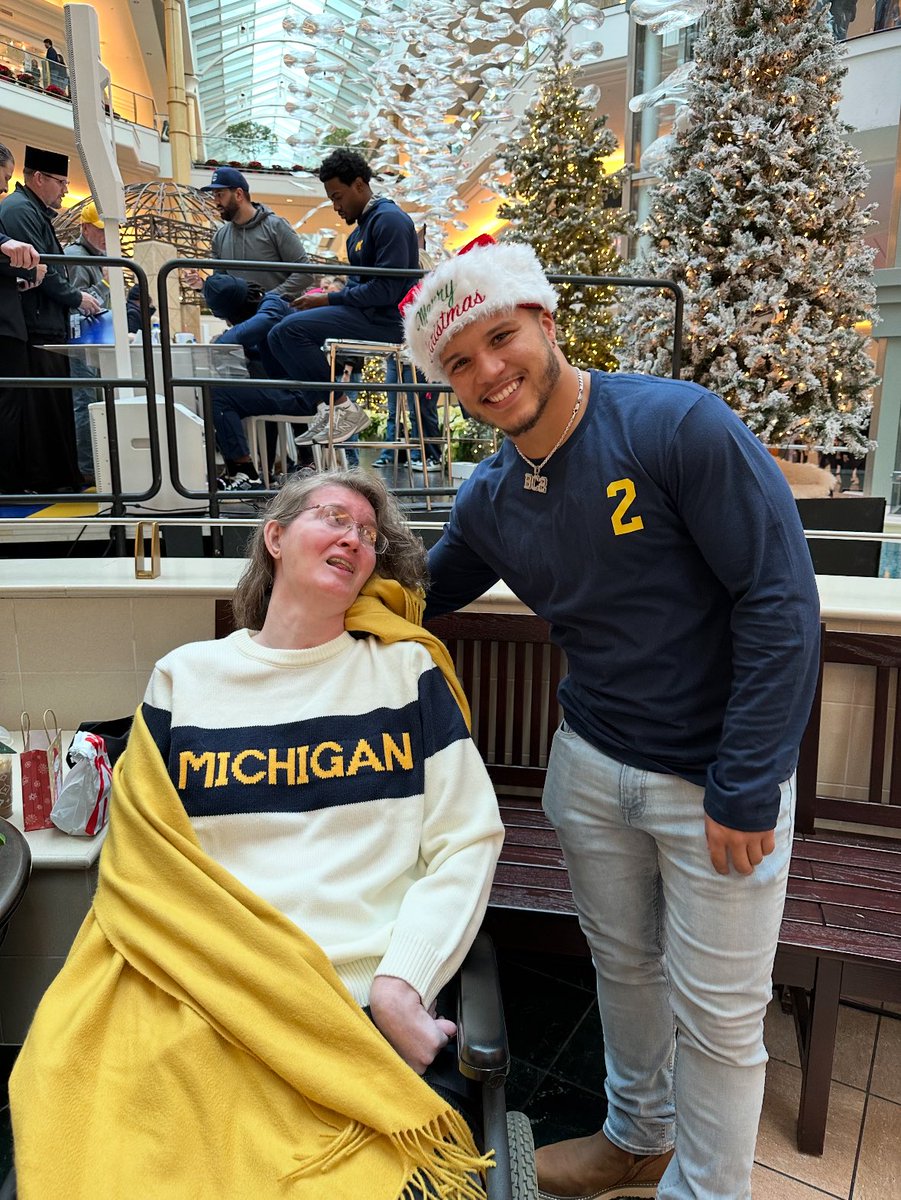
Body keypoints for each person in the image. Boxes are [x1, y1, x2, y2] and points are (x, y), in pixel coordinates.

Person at [403, 236, 821, 1200]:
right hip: (589, 766)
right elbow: (420, 593)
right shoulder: (494, 493)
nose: (487, 372)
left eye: (499, 338)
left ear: (545, 321)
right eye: (459, 364)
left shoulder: (676, 426)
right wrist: (306, 597)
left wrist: (747, 778)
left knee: (718, 1014)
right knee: (624, 972)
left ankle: (709, 1190)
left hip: (717, 780)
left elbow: (778, 600)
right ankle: (635, 1138)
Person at [10, 468, 504, 1199]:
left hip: (348, 996)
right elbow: (142, 858)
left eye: (369, 535)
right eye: (333, 518)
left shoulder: (404, 674)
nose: (354, 538)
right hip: (204, 987)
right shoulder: (186, 676)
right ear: (273, 538)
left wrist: (405, 981)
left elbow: (467, 839)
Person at [267, 148, 420, 447]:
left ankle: (343, 408)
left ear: (360, 185)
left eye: (337, 196)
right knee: (278, 333)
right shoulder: (358, 233)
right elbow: (358, 287)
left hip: (390, 319)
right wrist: (330, 297)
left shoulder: (390, 221)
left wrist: (328, 300)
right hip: (368, 314)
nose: (335, 206)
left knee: (290, 330)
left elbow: (387, 290)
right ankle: (329, 408)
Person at [0, 146, 102, 492]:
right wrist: (77, 297)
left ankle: (58, 477)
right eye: (60, 182)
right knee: (38, 408)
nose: (63, 190)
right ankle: (42, 480)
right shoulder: (18, 210)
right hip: (34, 325)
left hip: (44, 323)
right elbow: (36, 268)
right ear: (39, 178)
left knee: (51, 406)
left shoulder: (33, 211)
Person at [202, 274, 311, 490]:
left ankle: (245, 471)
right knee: (219, 395)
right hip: (294, 389)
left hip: (301, 392)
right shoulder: (268, 308)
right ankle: (240, 469)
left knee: (217, 395)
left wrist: (222, 341)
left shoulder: (273, 305)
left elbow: (264, 322)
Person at [181, 166, 313, 299]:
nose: (215, 201)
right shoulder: (220, 237)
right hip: (241, 318)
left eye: (220, 194)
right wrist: (201, 286)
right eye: (214, 195)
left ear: (238, 194)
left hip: (279, 316)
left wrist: (266, 300)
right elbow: (222, 286)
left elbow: (305, 274)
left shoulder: (276, 226)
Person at [0, 143, 46, 495]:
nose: (4, 188)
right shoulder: (16, 211)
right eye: (3, 178)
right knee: (9, 405)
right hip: (6, 327)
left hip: (10, 320)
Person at [63, 200, 110, 484]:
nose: (105, 236)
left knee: (92, 400)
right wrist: (105, 285)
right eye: (100, 229)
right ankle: (88, 469)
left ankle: (94, 465)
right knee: (85, 401)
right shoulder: (77, 256)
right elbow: (80, 303)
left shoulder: (94, 256)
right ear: (85, 228)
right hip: (81, 342)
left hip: (92, 341)